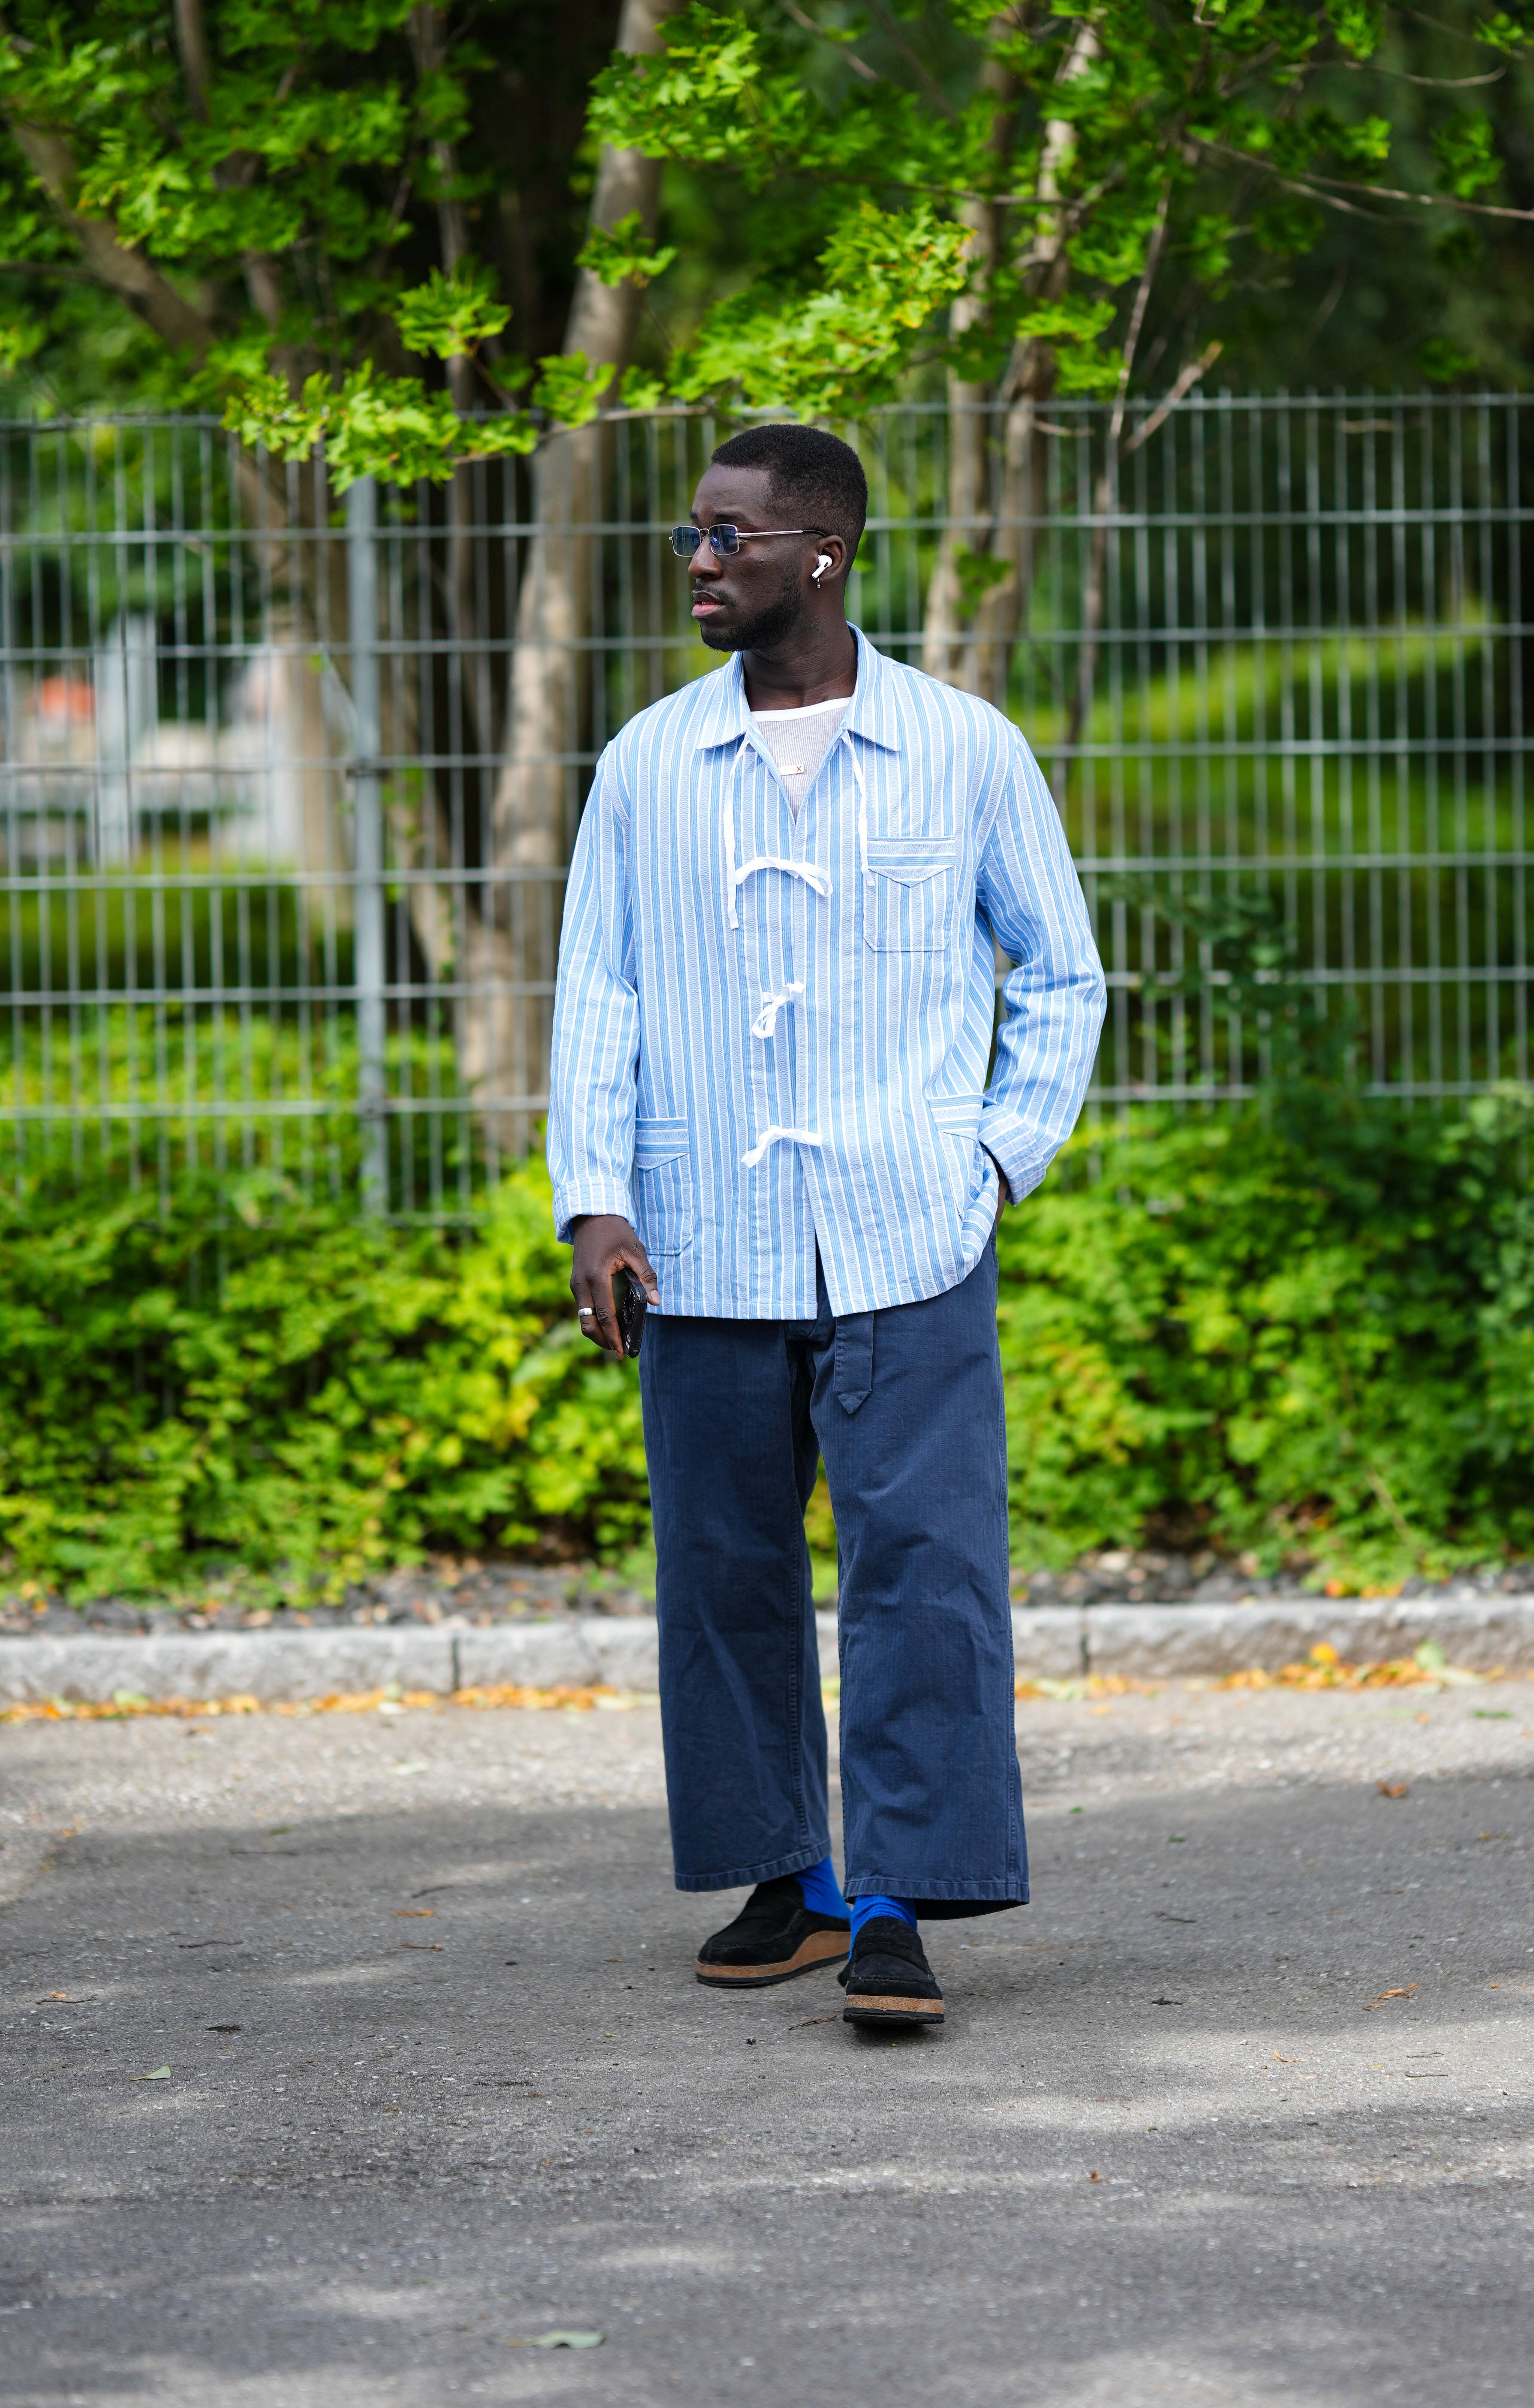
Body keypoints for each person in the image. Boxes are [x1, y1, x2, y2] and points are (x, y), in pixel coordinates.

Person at [547, 422, 1105, 2030]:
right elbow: (599, 985)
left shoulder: (965, 746)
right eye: (693, 538)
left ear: (823, 552)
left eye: (730, 538)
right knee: (722, 1569)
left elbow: (1060, 973)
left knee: (923, 1571)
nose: (702, 563)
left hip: (907, 1235)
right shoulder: (648, 760)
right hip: (702, 1230)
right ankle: (780, 1878)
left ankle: (895, 1904)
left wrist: (995, 1158)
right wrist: (595, 1198)